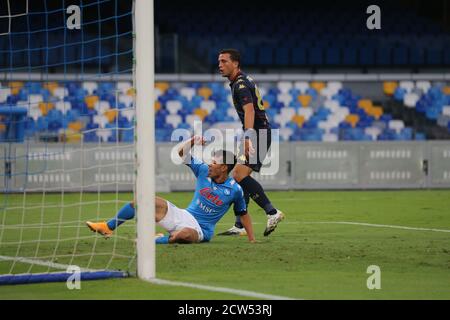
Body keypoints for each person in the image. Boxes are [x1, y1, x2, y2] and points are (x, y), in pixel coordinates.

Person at [86, 135, 256, 244]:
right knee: (143, 200)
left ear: (224, 167)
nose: (210, 164)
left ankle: (154, 241)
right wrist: (192, 141)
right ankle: (107, 226)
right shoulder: (203, 170)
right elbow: (182, 154)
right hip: (183, 215)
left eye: (214, 162)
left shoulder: (235, 190)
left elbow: (243, 213)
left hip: (201, 230)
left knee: (184, 235)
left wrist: (252, 239)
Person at [217, 48, 284, 237]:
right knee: (239, 177)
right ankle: (240, 225)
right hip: (257, 133)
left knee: (238, 175)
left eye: (224, 61)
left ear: (235, 63)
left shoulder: (240, 85)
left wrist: (248, 137)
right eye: (219, 62)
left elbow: (250, 111)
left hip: (257, 134)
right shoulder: (242, 80)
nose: (220, 65)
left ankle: (272, 212)